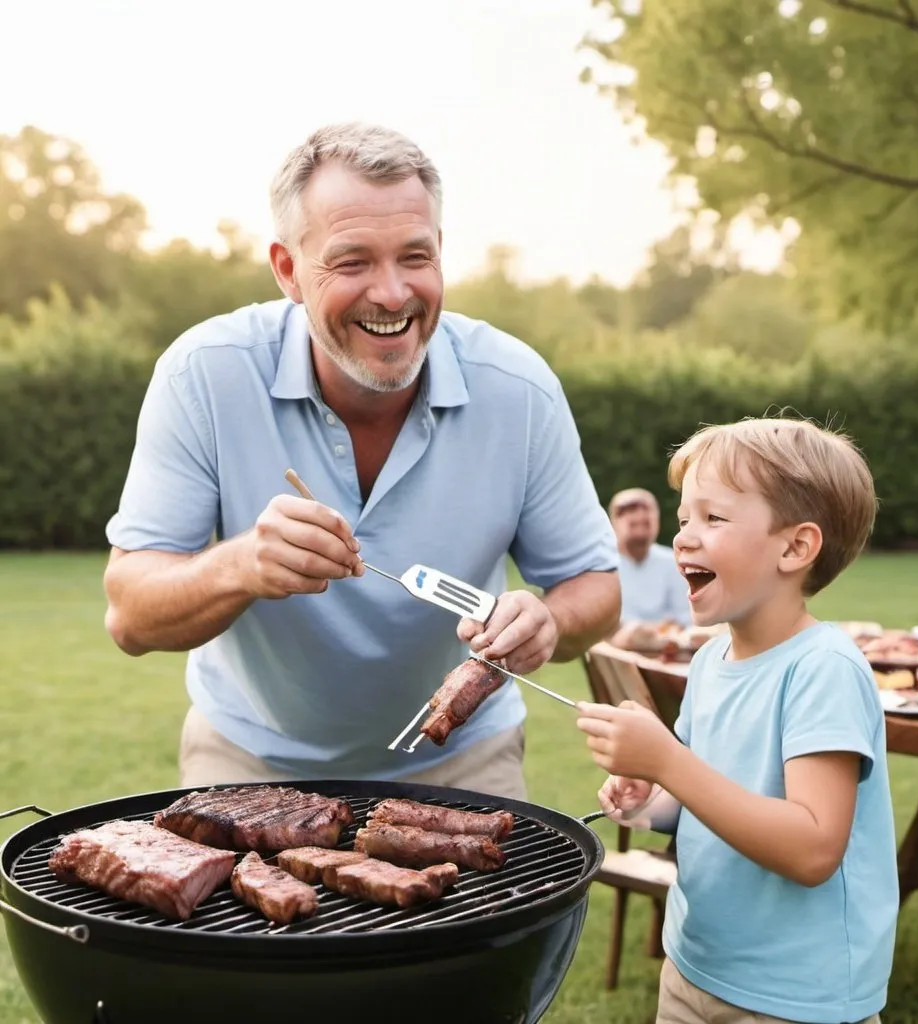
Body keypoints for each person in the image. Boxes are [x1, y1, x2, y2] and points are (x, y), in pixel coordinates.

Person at [102, 122, 620, 800]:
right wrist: (241, 565)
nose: (393, 293)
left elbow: (599, 590)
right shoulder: (205, 374)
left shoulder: (517, 388)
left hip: (463, 755)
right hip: (250, 755)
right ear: (288, 269)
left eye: (415, 256)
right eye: (353, 263)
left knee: (504, 909)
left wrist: (549, 622)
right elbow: (130, 615)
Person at [577, 418, 898, 1024]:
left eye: (713, 519)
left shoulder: (822, 669)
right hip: (695, 967)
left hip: (797, 997)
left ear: (795, 548)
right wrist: (652, 797)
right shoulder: (708, 662)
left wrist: (669, 761)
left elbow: (811, 848)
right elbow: (705, 799)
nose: (685, 539)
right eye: (683, 520)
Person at [608, 487, 692, 627]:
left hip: (670, 644)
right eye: (630, 511)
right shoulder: (601, 565)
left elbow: (685, 617)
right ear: (613, 521)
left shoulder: (675, 561)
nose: (640, 515)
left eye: (646, 510)